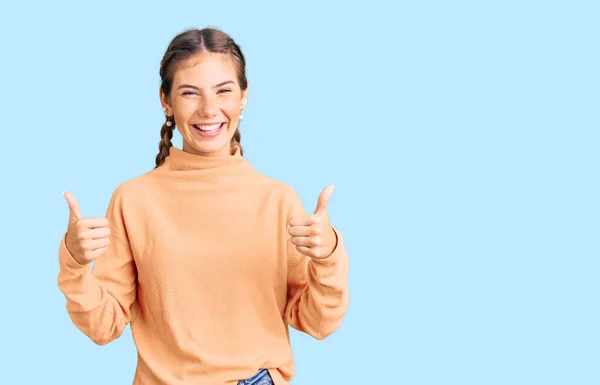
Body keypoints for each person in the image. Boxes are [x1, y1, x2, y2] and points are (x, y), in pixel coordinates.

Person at [57, 27, 350, 385]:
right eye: (190, 93)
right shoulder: (133, 200)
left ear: (243, 97)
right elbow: (104, 327)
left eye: (224, 91)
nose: (209, 109)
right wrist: (74, 263)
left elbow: (318, 323)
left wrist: (329, 255)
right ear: (166, 102)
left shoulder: (278, 200)